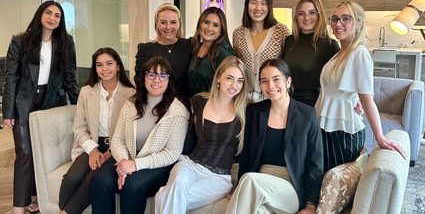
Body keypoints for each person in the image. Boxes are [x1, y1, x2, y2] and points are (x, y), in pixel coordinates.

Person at [3, 0, 79, 214]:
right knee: (24, 153)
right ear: (40, 14)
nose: (52, 18)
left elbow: (70, 76)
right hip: (23, 103)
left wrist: (78, 106)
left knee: (42, 152)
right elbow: (11, 77)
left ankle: (35, 199)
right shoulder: (20, 40)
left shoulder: (66, 42)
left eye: (57, 15)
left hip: (52, 101)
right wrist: (7, 111)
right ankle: (19, 207)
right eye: (49, 13)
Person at [315, 1, 407, 173]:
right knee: (328, 183)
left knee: (338, 187)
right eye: (334, 19)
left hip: (342, 130)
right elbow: (347, 88)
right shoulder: (341, 52)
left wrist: (379, 136)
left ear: (359, 23)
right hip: (329, 126)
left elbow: (367, 99)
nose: (338, 24)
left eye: (346, 18)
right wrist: (354, 98)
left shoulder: (359, 53)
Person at [90, 57, 189, 214]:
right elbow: (117, 139)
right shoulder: (131, 104)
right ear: (144, 77)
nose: (157, 80)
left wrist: (135, 165)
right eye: (151, 75)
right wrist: (123, 163)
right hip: (127, 158)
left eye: (163, 76)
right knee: (100, 181)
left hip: (158, 166)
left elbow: (171, 153)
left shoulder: (178, 112)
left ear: (169, 81)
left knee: (132, 185)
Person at [226, 59, 323, 214]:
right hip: (256, 185)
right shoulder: (255, 112)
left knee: (250, 180)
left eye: (276, 79)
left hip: (289, 188)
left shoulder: (307, 114)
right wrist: (239, 189)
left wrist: (311, 205)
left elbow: (315, 163)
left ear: (288, 81)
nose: (270, 86)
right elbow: (247, 155)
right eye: (264, 81)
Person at [155, 56, 249, 213]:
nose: (234, 85)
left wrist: (240, 186)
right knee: (178, 184)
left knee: (164, 197)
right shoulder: (199, 101)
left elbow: (250, 152)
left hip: (218, 177)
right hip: (190, 164)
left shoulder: (247, 110)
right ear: (218, 77)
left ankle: (161, 197)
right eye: (230, 78)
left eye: (240, 80)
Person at [58, 47, 135, 214]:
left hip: (116, 149)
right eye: (99, 65)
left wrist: (109, 152)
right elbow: (78, 128)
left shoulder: (131, 94)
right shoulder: (86, 92)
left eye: (109, 63)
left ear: (118, 66)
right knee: (71, 178)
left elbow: (130, 133)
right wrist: (92, 150)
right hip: (91, 146)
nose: (104, 68)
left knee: (91, 180)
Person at [233, 0, 290, 102]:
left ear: (269, 6)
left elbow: (286, 66)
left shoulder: (281, 31)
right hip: (244, 98)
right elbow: (236, 66)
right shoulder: (238, 33)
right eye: (254, 2)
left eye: (263, 3)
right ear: (247, 5)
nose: (258, 8)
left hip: (272, 95)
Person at [283, 0, 340, 107]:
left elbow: (341, 79)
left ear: (320, 15)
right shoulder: (290, 40)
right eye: (301, 13)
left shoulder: (329, 45)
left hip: (313, 104)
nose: (307, 17)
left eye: (312, 12)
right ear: (296, 17)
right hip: (286, 101)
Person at [135, 3, 192, 107]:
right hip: (155, 106)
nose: (168, 27)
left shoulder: (189, 45)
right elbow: (140, 81)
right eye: (163, 22)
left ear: (179, 23)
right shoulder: (146, 49)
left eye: (173, 22)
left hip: (184, 106)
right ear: (157, 23)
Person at [188, 6, 234, 97]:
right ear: (200, 24)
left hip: (212, 107)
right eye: (206, 22)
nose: (209, 28)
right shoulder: (195, 47)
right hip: (193, 106)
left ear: (221, 30)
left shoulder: (223, 52)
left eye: (215, 25)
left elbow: (229, 87)